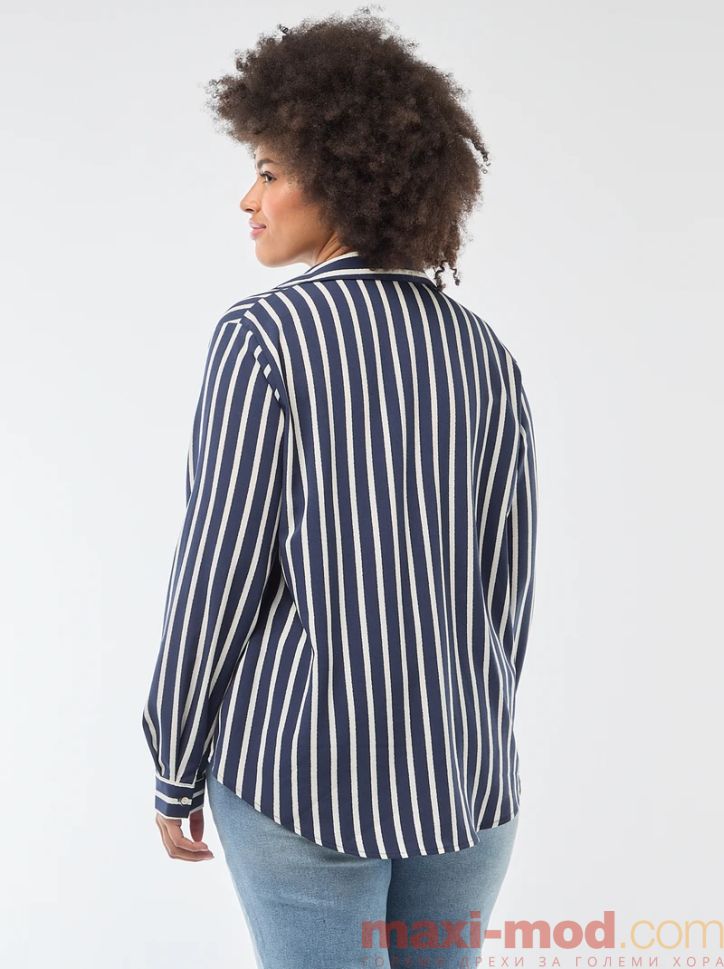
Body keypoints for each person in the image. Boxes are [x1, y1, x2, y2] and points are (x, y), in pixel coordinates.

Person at [142, 9, 538, 968]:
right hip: (465, 774)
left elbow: (218, 569)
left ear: (343, 176)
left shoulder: (264, 338)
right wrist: (470, 722)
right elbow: (506, 578)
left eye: (269, 171)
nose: (248, 198)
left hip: (302, 773)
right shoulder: (483, 352)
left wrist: (173, 759)